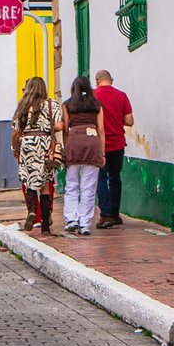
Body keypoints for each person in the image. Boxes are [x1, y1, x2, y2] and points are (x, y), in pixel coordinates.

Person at [9, 75, 60, 233]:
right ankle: (45, 225)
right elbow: (58, 125)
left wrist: (16, 149)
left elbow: (16, 128)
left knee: (29, 181)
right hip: (44, 144)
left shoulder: (23, 106)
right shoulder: (51, 104)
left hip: (27, 145)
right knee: (45, 184)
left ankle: (32, 212)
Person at [59, 75, 106, 236]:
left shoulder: (67, 104)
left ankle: (71, 219)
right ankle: (85, 223)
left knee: (71, 184)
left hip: (74, 143)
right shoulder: (96, 105)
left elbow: (65, 129)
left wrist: (67, 148)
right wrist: (103, 152)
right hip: (92, 144)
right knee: (89, 186)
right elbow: (101, 130)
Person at [92, 69, 135, 228]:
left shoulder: (92, 95)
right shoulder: (121, 95)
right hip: (117, 144)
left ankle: (105, 214)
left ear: (97, 81)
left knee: (101, 178)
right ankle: (115, 214)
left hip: (98, 144)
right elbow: (130, 121)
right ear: (112, 80)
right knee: (115, 178)